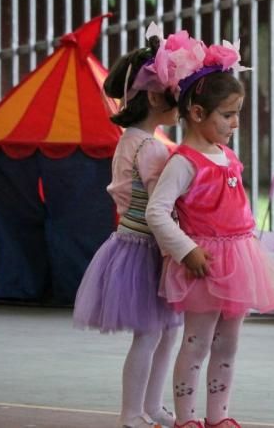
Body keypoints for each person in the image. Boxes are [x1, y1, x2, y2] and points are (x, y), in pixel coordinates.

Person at [146, 34, 274, 428]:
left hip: (239, 258)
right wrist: (185, 250)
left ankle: (219, 417)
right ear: (195, 112)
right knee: (196, 343)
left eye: (237, 112)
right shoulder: (184, 162)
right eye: (227, 114)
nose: (235, 122)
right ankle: (186, 419)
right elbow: (157, 213)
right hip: (203, 263)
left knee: (228, 343)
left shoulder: (226, 155)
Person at [72, 25, 182, 428]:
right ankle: (133, 411)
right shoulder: (150, 147)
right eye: (178, 96)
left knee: (166, 330)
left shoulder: (130, 139)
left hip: (135, 244)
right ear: (156, 96)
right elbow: (161, 205)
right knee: (152, 334)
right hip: (146, 248)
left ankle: (152, 406)